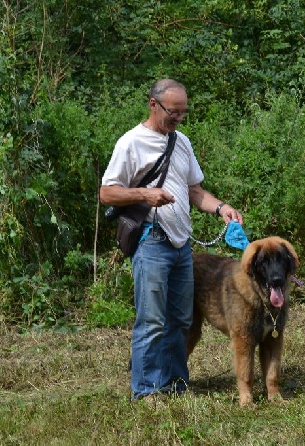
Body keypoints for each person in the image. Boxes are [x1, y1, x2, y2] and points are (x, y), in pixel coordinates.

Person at [100, 78, 243, 400]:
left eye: (183, 112)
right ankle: (147, 391)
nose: (178, 118)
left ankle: (175, 385)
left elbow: (194, 190)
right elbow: (107, 192)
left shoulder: (181, 141)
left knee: (180, 320)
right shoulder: (131, 143)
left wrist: (221, 207)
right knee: (151, 321)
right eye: (173, 112)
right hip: (151, 242)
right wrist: (143, 193)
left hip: (181, 245)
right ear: (153, 104)